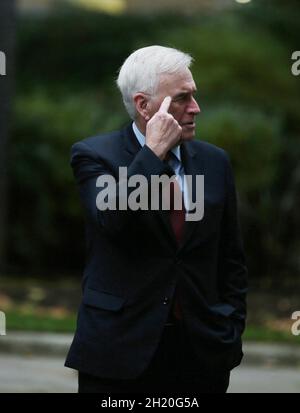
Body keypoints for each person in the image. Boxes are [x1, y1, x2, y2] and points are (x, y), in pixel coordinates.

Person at [65, 45, 248, 393]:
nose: (196, 108)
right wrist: (152, 154)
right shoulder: (94, 156)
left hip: (200, 353)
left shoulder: (215, 162)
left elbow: (231, 257)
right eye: (182, 98)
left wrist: (231, 326)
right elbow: (111, 221)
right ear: (143, 105)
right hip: (119, 351)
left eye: (194, 95)